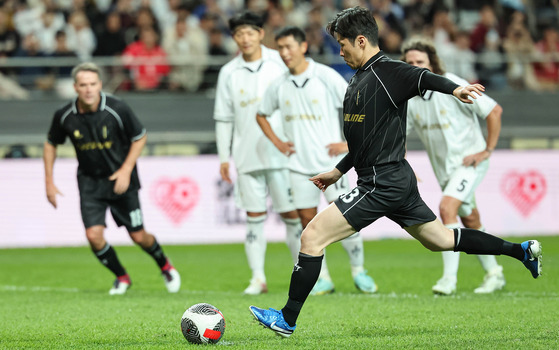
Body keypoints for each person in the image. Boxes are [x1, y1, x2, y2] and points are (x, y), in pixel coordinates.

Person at [249, 7, 542, 337]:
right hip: (391, 179)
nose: (340, 51)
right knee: (442, 240)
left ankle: (286, 319)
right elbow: (364, 140)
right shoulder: (357, 79)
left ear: (361, 41)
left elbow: (423, 77)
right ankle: (521, 251)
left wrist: (456, 90)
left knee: (312, 236)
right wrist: (337, 170)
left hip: (381, 182)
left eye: (343, 44)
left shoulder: (389, 72)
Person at [256, 26, 377, 295]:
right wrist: (278, 143)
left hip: (331, 166)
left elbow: (359, 104)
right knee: (307, 224)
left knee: (348, 219)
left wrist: (348, 144)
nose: (284, 53)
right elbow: (261, 114)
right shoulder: (278, 85)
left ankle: (359, 271)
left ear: (303, 47)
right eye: (280, 48)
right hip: (297, 168)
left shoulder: (324, 76)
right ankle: (323, 278)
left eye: (288, 46)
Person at [43, 62, 181, 295]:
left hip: (122, 181)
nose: (89, 89)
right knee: (93, 236)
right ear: (75, 87)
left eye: (93, 84)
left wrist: (126, 170)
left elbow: (140, 137)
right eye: (83, 85)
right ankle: (122, 276)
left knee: (139, 236)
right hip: (90, 182)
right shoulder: (65, 115)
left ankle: (165, 265)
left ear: (100, 85)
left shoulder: (118, 108)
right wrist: (49, 182)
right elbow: (50, 143)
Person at [402, 37, 505, 295]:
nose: (415, 66)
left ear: (432, 62)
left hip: (469, 162)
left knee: (447, 207)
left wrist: (487, 150)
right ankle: (494, 273)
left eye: (420, 62)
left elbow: (494, 111)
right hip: (445, 170)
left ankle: (448, 280)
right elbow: (399, 136)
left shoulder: (454, 84)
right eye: (410, 62)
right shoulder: (411, 97)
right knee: (470, 218)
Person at [213, 11, 303, 295]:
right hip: (246, 155)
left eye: (250, 32)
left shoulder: (280, 62)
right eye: (239, 34)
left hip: (281, 153)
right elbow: (223, 118)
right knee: (254, 217)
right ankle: (258, 278)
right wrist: (223, 157)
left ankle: (304, 274)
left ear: (261, 34)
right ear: (234, 38)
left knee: (292, 216)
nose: (245, 38)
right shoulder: (228, 72)